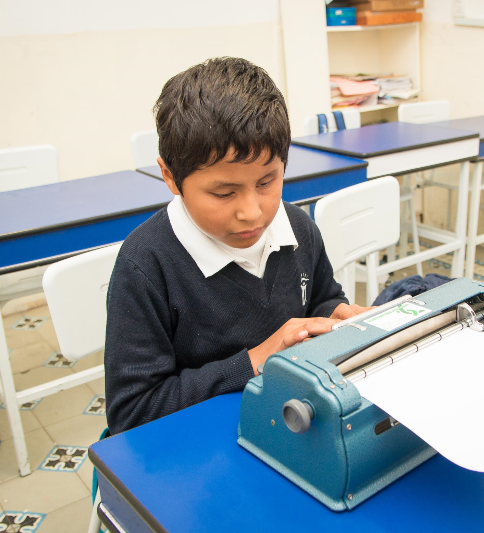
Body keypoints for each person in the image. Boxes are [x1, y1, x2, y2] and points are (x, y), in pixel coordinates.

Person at [104, 57, 369, 434]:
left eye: (267, 182)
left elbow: (320, 299)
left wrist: (336, 315)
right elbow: (133, 412)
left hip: (287, 425)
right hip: (198, 447)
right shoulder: (146, 265)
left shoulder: (298, 227)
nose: (252, 212)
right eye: (223, 192)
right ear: (170, 177)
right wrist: (256, 360)